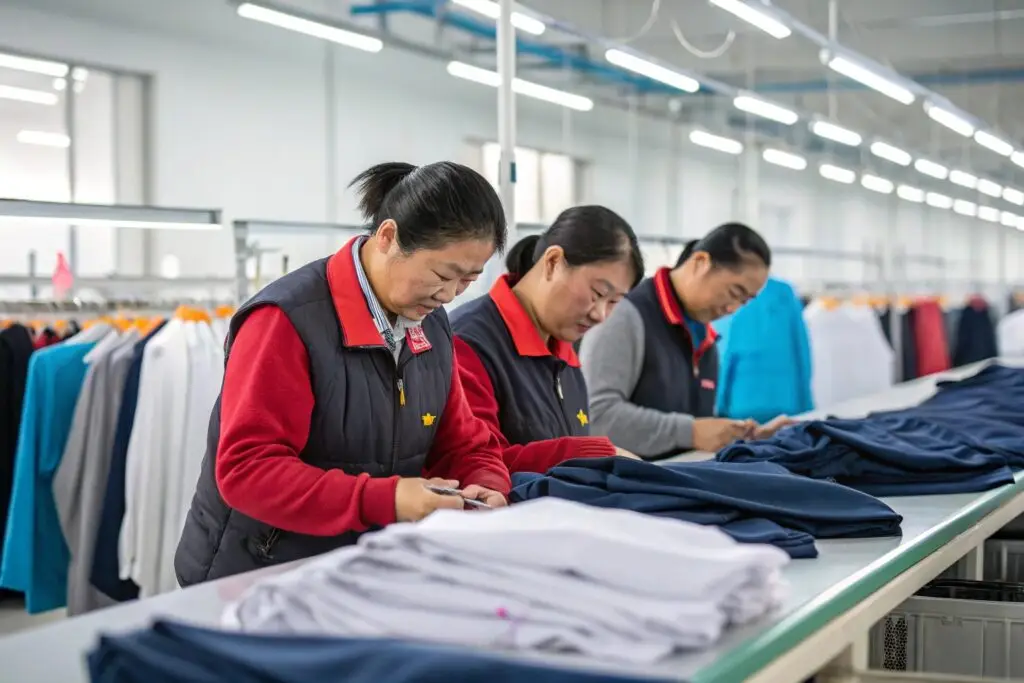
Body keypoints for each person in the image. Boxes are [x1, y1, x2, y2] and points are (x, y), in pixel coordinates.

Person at [175, 161, 512, 586]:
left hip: (359, 571)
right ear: (388, 237)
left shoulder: (431, 325)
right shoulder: (286, 321)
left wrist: (485, 482)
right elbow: (248, 470)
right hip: (258, 574)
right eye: (442, 275)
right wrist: (386, 499)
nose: (448, 295)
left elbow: (463, 443)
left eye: (468, 280)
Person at [450, 206, 645, 473]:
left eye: (614, 302)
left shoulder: (563, 352)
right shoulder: (469, 343)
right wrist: (590, 453)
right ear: (552, 262)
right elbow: (476, 463)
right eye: (598, 293)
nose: (600, 314)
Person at [581, 222, 793, 460]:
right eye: (734, 292)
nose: (733, 309)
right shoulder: (624, 315)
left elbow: (693, 430)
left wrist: (741, 438)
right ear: (701, 262)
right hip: (622, 480)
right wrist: (690, 432)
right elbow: (596, 417)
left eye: (744, 302)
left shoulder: (706, 340)